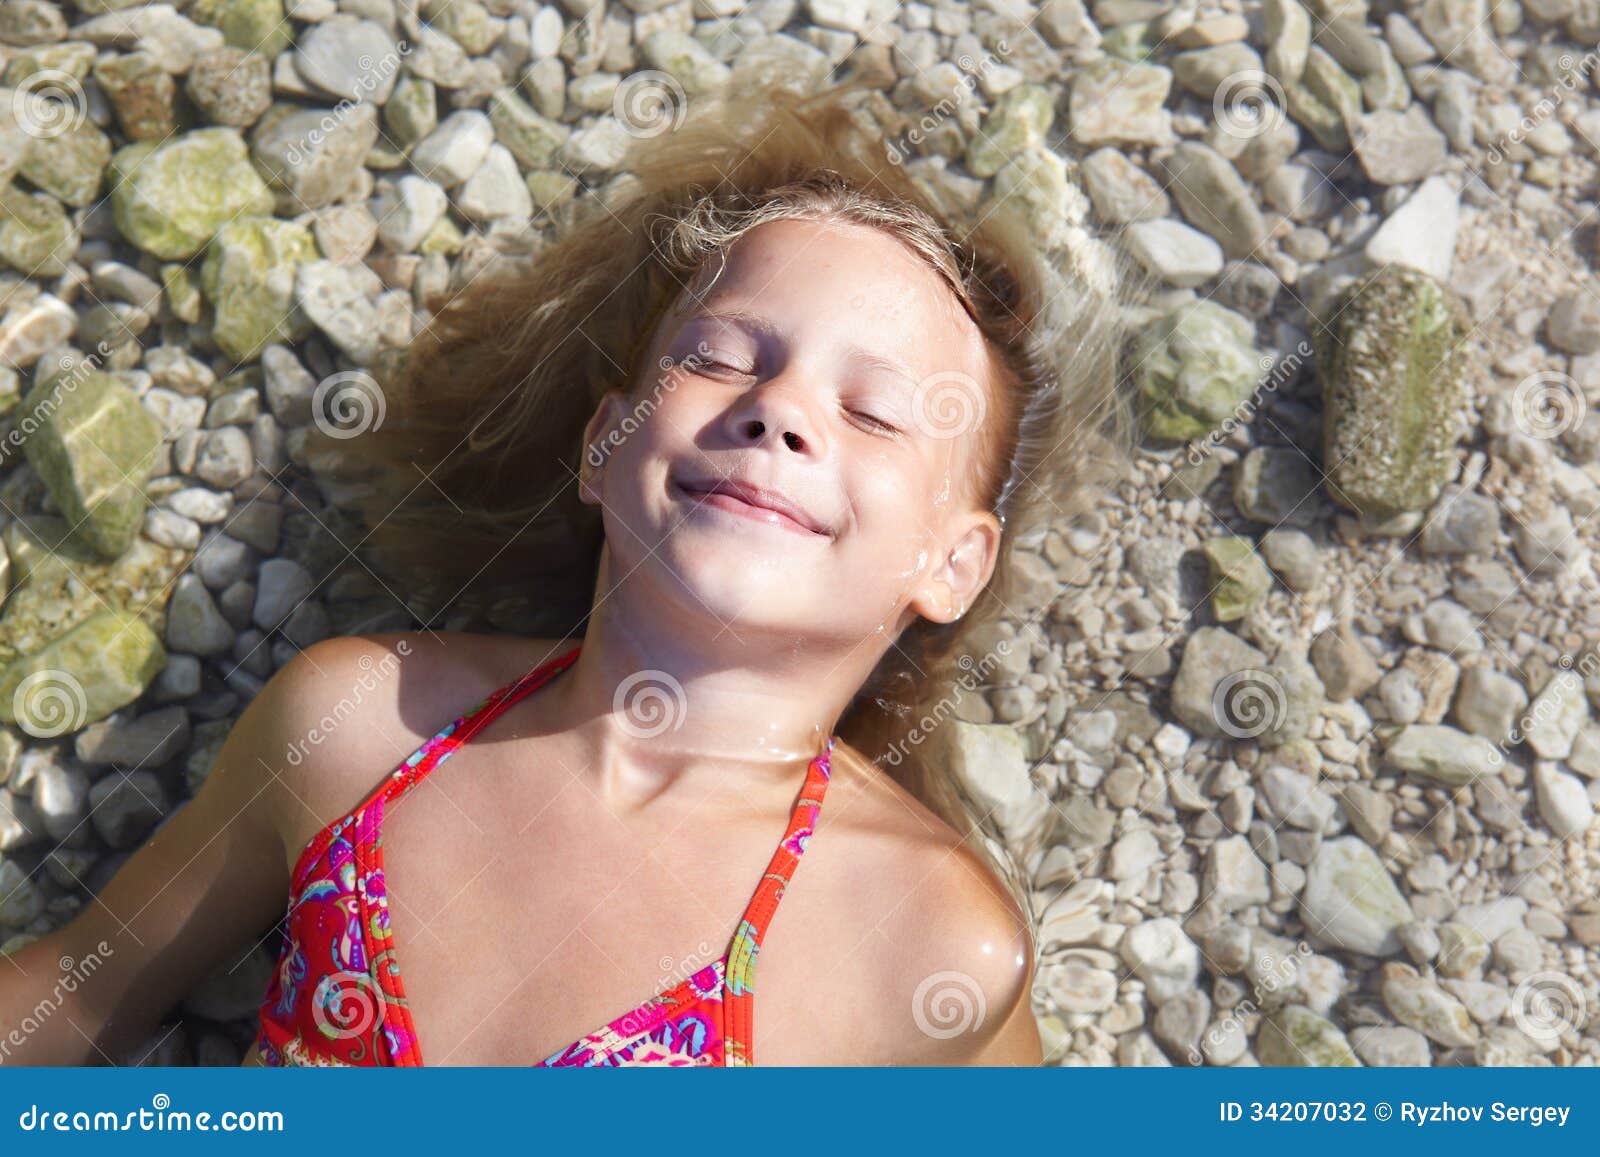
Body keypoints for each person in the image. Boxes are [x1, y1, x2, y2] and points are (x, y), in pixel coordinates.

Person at [0, 81, 1131, 1067]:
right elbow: (81, 1000)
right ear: (603, 446)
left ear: (951, 565)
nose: (779, 409)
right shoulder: (360, 726)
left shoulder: (925, 943)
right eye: (719, 358)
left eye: (874, 411)